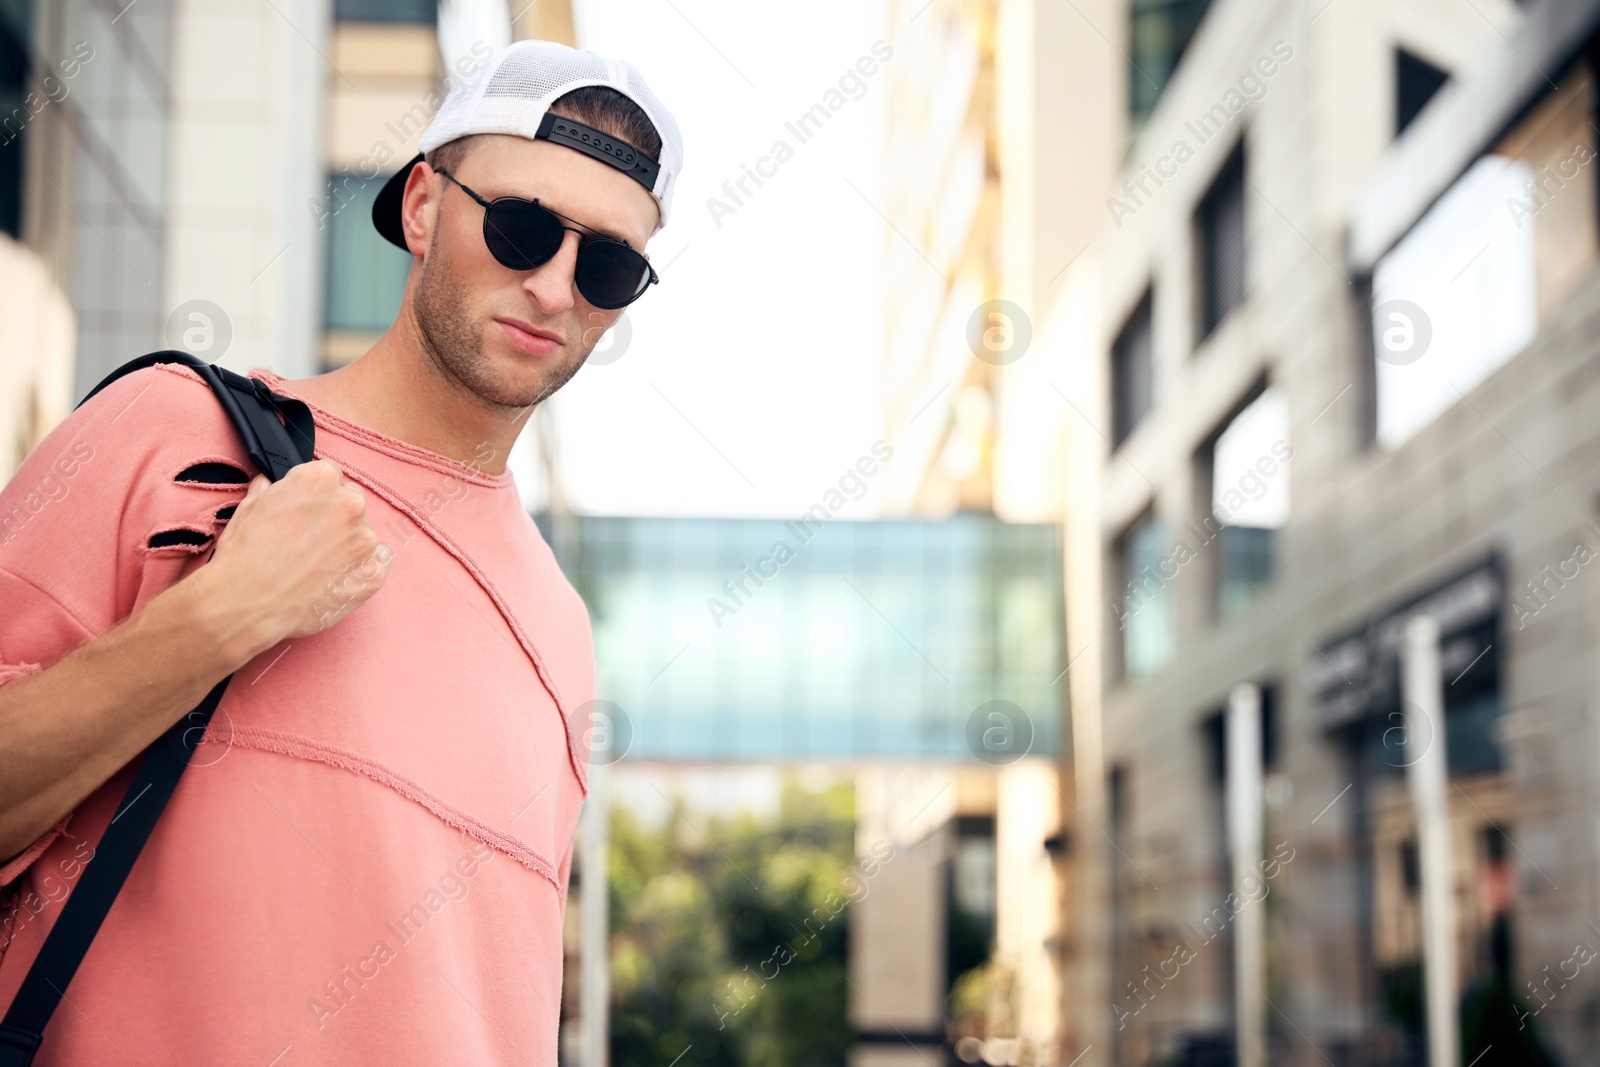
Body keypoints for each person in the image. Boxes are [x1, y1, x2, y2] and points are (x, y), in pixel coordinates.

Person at [0, 38, 682, 1064]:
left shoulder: (559, 629)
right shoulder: (174, 433)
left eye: (609, 264)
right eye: (521, 227)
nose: (554, 287)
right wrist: (215, 620)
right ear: (420, 206)